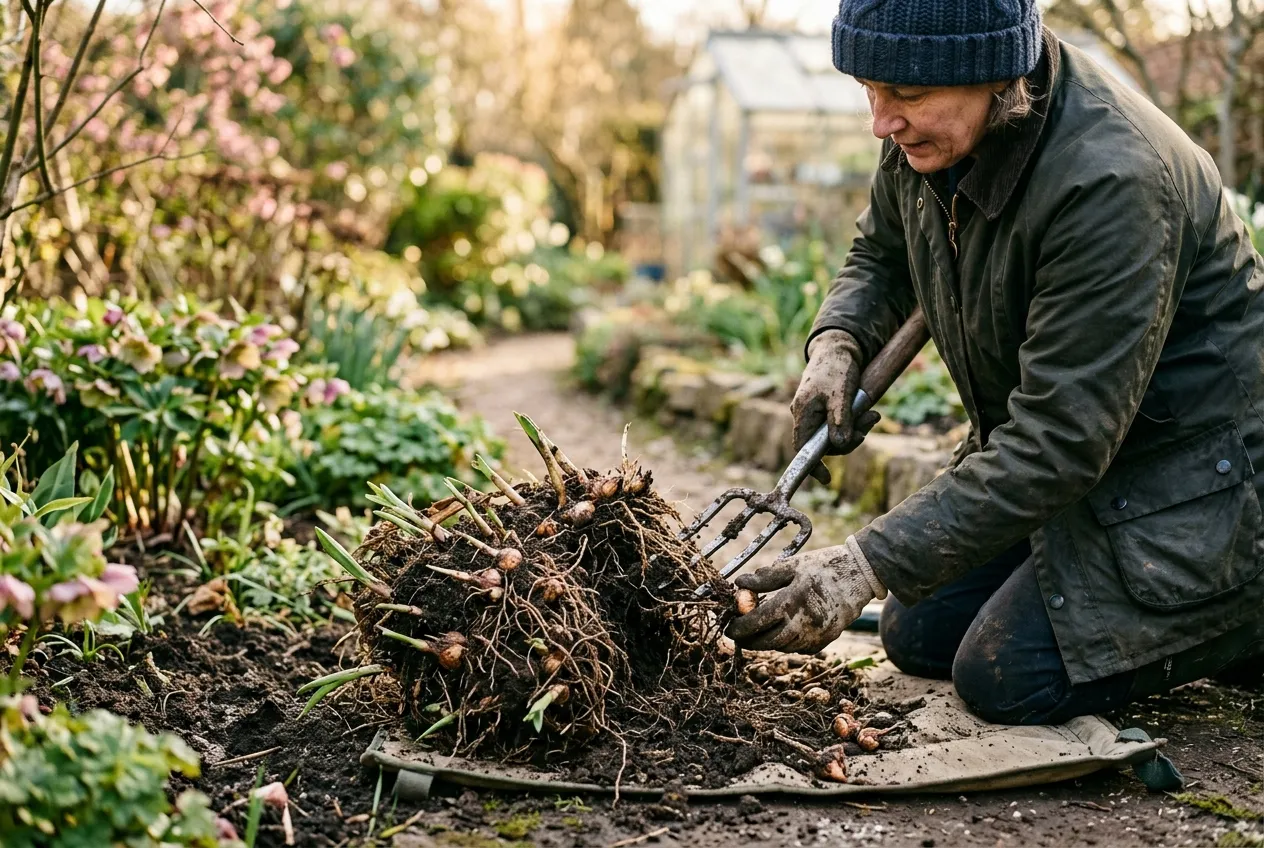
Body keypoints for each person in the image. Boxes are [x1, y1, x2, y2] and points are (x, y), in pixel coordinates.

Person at [726, 0, 1264, 725]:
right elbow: (882, 255)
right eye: (870, 92)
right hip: (1089, 463)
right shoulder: (938, 133)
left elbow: (1058, 442)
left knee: (1004, 676)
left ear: (996, 76)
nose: (881, 122)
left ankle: (1242, 615)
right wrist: (838, 341)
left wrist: (861, 565)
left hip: (1196, 478)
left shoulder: (1111, 183)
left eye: (907, 98)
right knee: (915, 633)